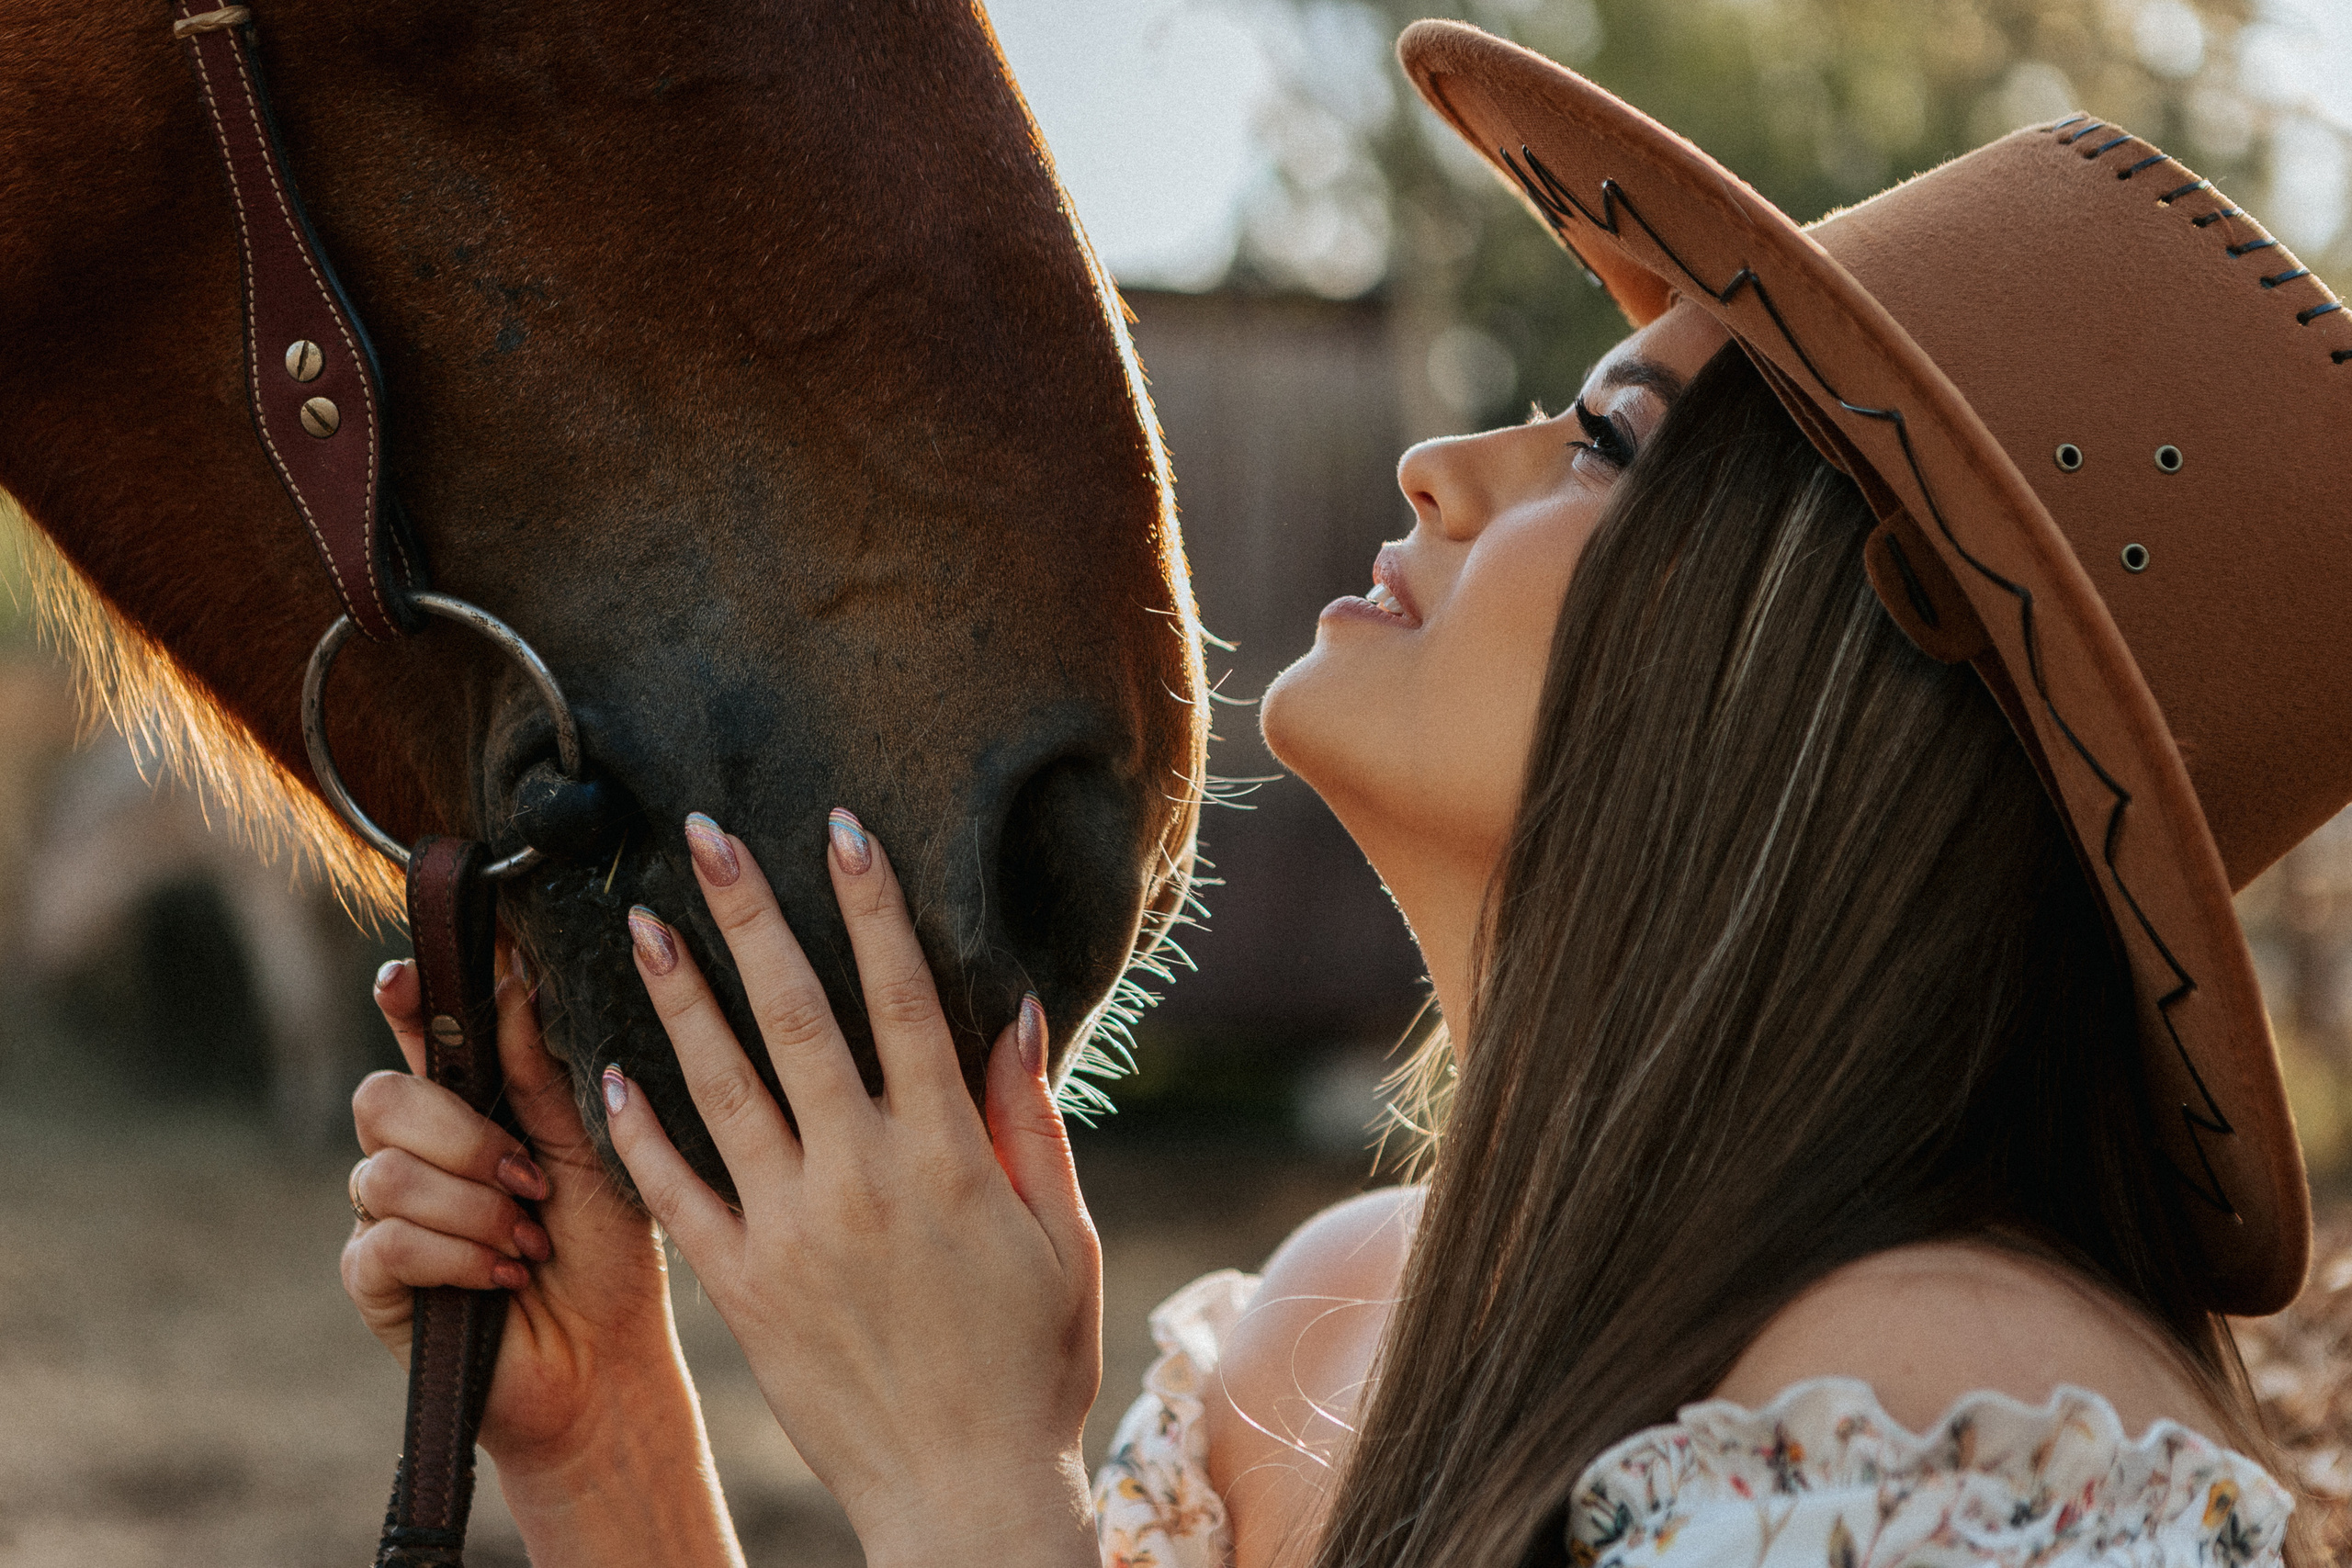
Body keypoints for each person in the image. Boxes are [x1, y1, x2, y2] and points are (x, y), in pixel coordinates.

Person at [338, 20, 2352, 1568]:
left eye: (1603, 442)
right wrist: (610, 1458)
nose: (1444, 463)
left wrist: (964, 1477)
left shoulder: (1944, 1409)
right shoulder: (1344, 1309)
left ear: (1831, 662)